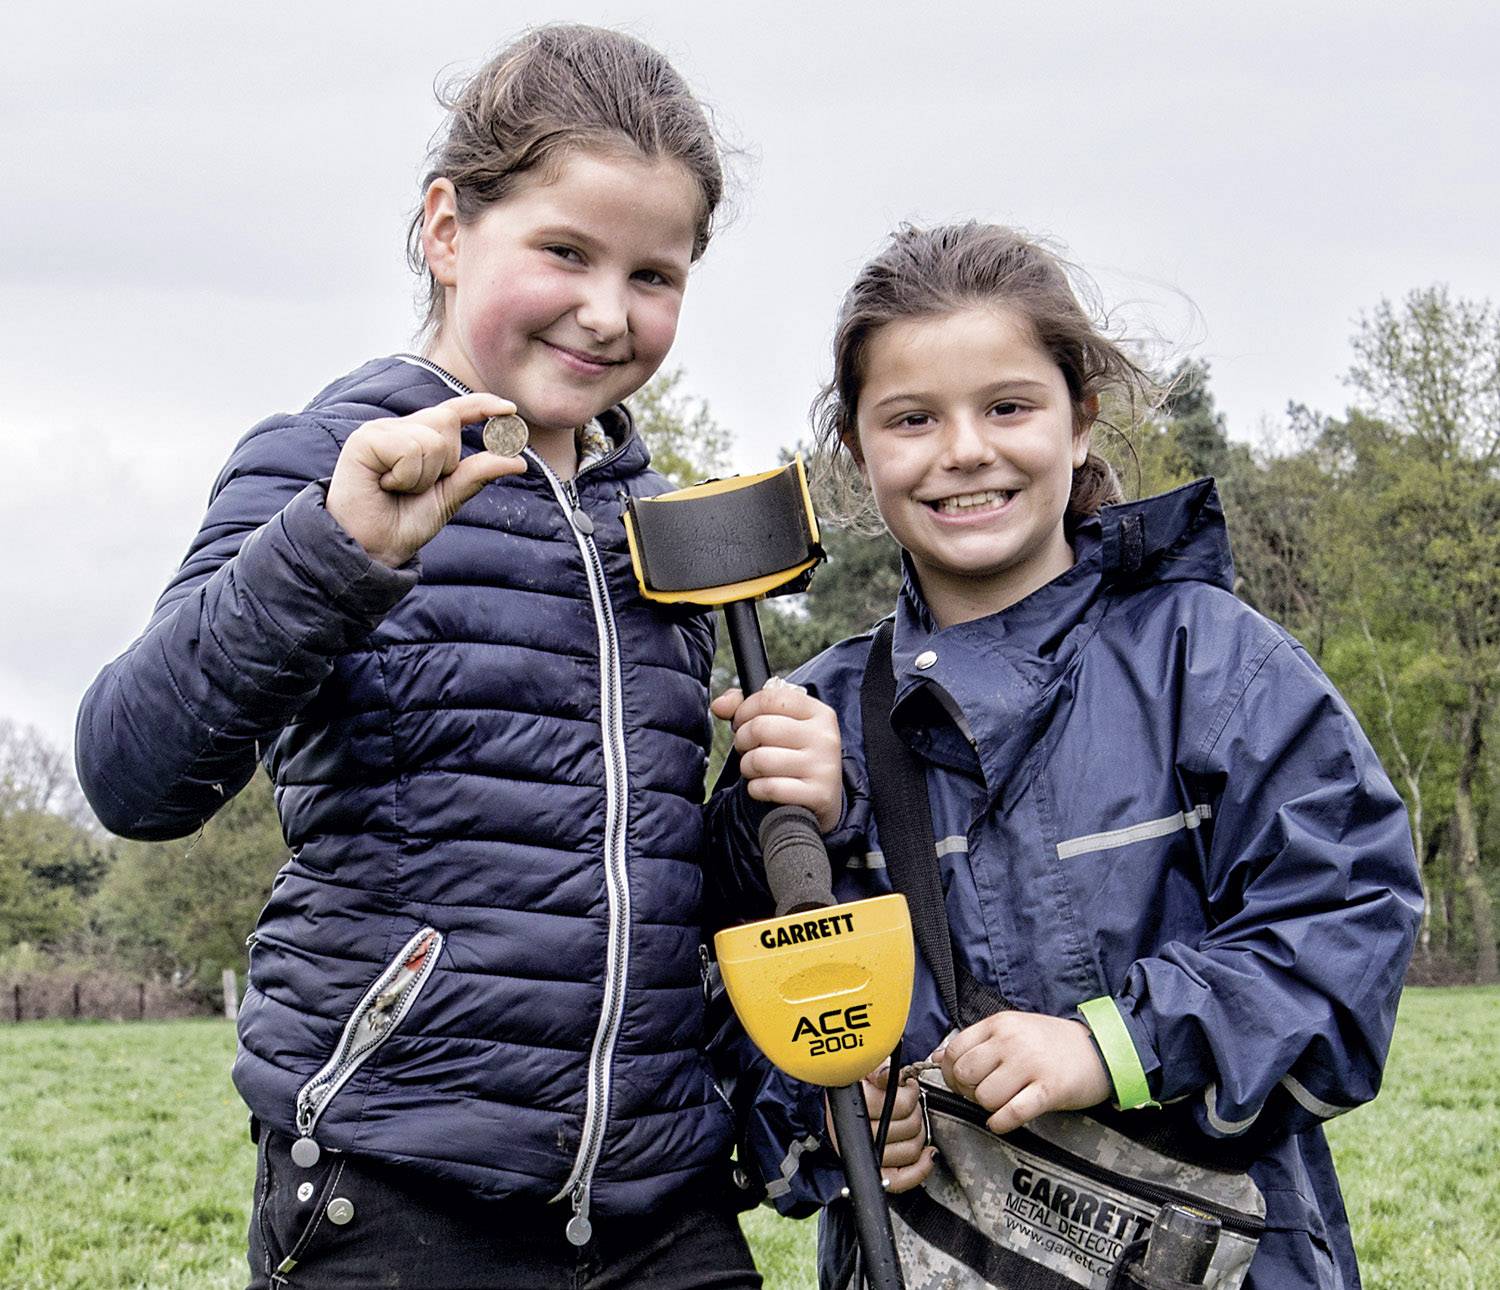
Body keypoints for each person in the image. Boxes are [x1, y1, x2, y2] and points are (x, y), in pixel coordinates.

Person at [76, 25, 762, 1290]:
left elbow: (641, 870)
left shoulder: (658, 522)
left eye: (655, 274)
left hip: (661, 1206)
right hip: (399, 1197)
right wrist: (332, 548)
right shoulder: (321, 462)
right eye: (564, 251)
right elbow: (133, 775)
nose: (608, 312)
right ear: (448, 230)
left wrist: (773, 797)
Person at [706, 222, 1422, 1288]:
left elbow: (1346, 929)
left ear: (1079, 420)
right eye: (912, 419)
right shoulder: (806, 722)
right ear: (856, 453)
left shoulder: (1211, 662)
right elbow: (717, 1021)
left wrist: (1109, 1046)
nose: (964, 450)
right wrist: (827, 1115)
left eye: (1007, 406)